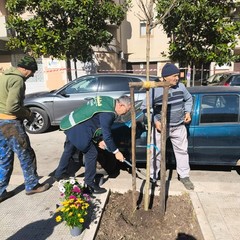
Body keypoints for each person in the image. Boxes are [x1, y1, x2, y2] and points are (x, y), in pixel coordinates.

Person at [54, 95, 131, 194]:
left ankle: (59, 174)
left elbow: (94, 121)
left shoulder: (108, 100)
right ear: (121, 105)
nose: (126, 113)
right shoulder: (109, 114)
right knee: (92, 153)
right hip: (78, 128)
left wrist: (99, 140)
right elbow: (107, 135)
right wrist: (116, 152)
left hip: (72, 123)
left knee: (69, 149)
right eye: (127, 110)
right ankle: (89, 183)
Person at [0, 55, 50, 203]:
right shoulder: (18, 80)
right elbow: (12, 107)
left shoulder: (4, 77)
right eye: (32, 71)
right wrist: (27, 114)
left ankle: (0, 191)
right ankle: (32, 185)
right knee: (26, 154)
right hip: (11, 124)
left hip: (0, 122)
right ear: (25, 69)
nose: (33, 75)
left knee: (4, 158)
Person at [141, 63, 194, 190]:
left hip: (178, 126)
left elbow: (189, 99)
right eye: (174, 76)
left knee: (182, 151)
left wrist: (187, 112)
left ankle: (184, 176)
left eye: (178, 75)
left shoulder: (181, 87)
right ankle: (153, 177)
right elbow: (145, 108)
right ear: (165, 77)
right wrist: (155, 121)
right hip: (161, 128)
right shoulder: (154, 89)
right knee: (155, 152)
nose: (177, 78)